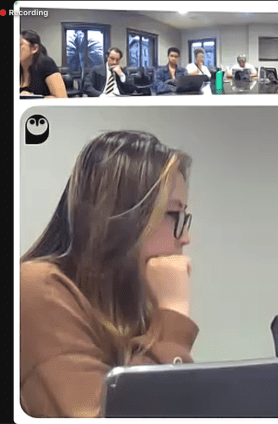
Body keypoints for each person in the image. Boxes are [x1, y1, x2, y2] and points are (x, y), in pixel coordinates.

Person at [20, 131, 197, 417]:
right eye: (173, 215)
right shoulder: (36, 287)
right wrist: (173, 317)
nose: (185, 238)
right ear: (125, 217)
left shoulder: (126, 300)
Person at [20, 30, 67, 98]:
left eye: (20, 45)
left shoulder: (46, 63)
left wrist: (32, 98)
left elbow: (62, 98)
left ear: (34, 49)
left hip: (44, 108)